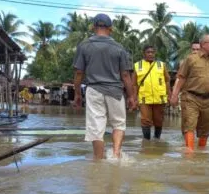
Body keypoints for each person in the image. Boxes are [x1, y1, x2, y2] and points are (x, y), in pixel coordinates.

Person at [73, 13, 135, 160]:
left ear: (94, 27)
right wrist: (131, 96)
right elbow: (125, 75)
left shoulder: (84, 46)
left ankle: (98, 160)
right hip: (115, 91)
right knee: (118, 124)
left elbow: (79, 73)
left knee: (96, 127)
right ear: (110, 29)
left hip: (94, 90)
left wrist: (77, 94)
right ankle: (116, 154)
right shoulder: (119, 48)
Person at [170, 34, 209, 150]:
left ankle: (201, 153)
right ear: (204, 44)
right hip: (191, 98)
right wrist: (174, 95)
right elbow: (181, 78)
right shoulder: (191, 59)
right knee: (189, 125)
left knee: (206, 129)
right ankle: (189, 154)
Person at [132, 45, 171, 140]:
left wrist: (169, 95)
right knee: (145, 120)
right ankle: (146, 142)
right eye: (148, 52)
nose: (150, 54)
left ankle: (157, 139)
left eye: (152, 52)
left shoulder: (161, 65)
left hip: (159, 98)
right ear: (144, 54)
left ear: (155, 53)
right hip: (144, 98)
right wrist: (134, 98)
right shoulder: (138, 65)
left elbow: (167, 80)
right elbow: (134, 84)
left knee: (159, 121)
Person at [172, 40, 201, 134]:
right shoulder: (184, 62)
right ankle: (186, 144)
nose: (195, 51)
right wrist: (174, 95)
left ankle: (198, 146)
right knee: (187, 122)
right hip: (187, 95)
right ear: (190, 50)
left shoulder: (207, 62)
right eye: (193, 49)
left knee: (201, 123)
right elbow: (179, 79)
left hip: (202, 97)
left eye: (198, 49)